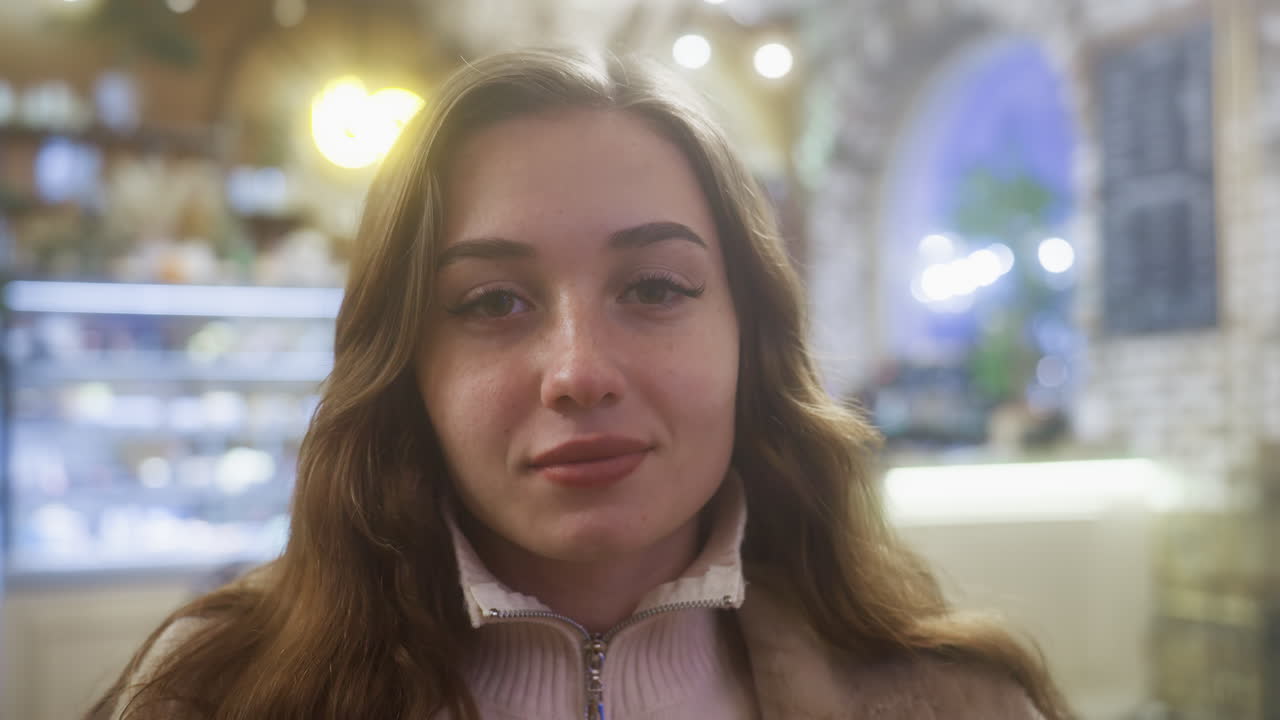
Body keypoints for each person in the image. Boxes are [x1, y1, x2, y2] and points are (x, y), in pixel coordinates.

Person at [90, 48, 1071, 720]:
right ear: (404, 366)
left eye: (652, 287)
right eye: (488, 303)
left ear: (749, 335)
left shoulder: (953, 702)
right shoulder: (224, 696)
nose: (578, 373)